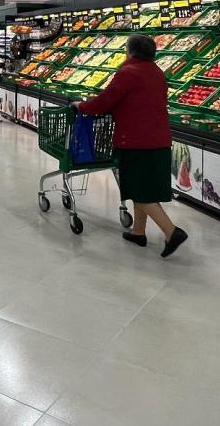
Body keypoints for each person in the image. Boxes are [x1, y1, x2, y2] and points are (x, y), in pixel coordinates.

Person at [75, 34, 187, 258]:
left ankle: (171, 231)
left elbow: (106, 100)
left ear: (130, 51)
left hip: (136, 140)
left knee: (137, 189)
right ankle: (138, 231)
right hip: (159, 140)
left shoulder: (128, 72)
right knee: (144, 187)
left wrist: (82, 106)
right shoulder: (157, 72)